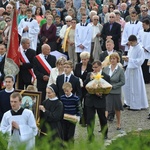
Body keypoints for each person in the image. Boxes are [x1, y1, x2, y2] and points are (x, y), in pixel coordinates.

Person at [84, 60, 110, 141]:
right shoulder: (89, 74)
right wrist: (89, 79)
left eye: (96, 67)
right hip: (90, 100)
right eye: (93, 67)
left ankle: (104, 133)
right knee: (90, 120)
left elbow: (108, 88)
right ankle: (90, 136)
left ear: (100, 67)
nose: (94, 69)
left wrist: (102, 94)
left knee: (102, 118)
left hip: (100, 100)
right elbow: (85, 85)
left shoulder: (106, 76)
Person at [122, 35, 149, 110]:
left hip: (136, 70)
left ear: (134, 41)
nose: (129, 44)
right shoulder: (131, 47)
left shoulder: (140, 49)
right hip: (129, 69)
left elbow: (140, 61)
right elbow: (130, 56)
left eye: (131, 43)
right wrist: (126, 59)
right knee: (127, 86)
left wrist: (129, 60)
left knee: (135, 87)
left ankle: (136, 105)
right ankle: (128, 102)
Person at [103, 53, 125, 129]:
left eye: (114, 59)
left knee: (117, 108)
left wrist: (113, 86)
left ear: (117, 60)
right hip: (107, 91)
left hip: (115, 92)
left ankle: (118, 123)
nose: (112, 60)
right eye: (111, 59)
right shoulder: (106, 69)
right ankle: (104, 125)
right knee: (106, 107)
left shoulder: (120, 70)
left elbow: (123, 82)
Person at [74, 51, 93, 126]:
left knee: (86, 105)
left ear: (88, 59)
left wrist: (84, 83)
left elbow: (90, 77)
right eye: (82, 59)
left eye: (85, 59)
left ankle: (85, 121)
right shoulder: (78, 65)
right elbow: (76, 75)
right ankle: (80, 119)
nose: (83, 61)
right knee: (78, 103)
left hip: (87, 88)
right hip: (79, 88)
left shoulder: (90, 66)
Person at [137, 19, 150, 84]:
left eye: (144, 25)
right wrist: (141, 47)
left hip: (148, 52)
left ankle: (147, 79)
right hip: (142, 51)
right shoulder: (140, 32)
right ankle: (142, 79)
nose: (143, 26)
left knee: (147, 66)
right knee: (142, 66)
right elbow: (138, 40)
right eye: (142, 25)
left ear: (148, 24)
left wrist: (147, 48)